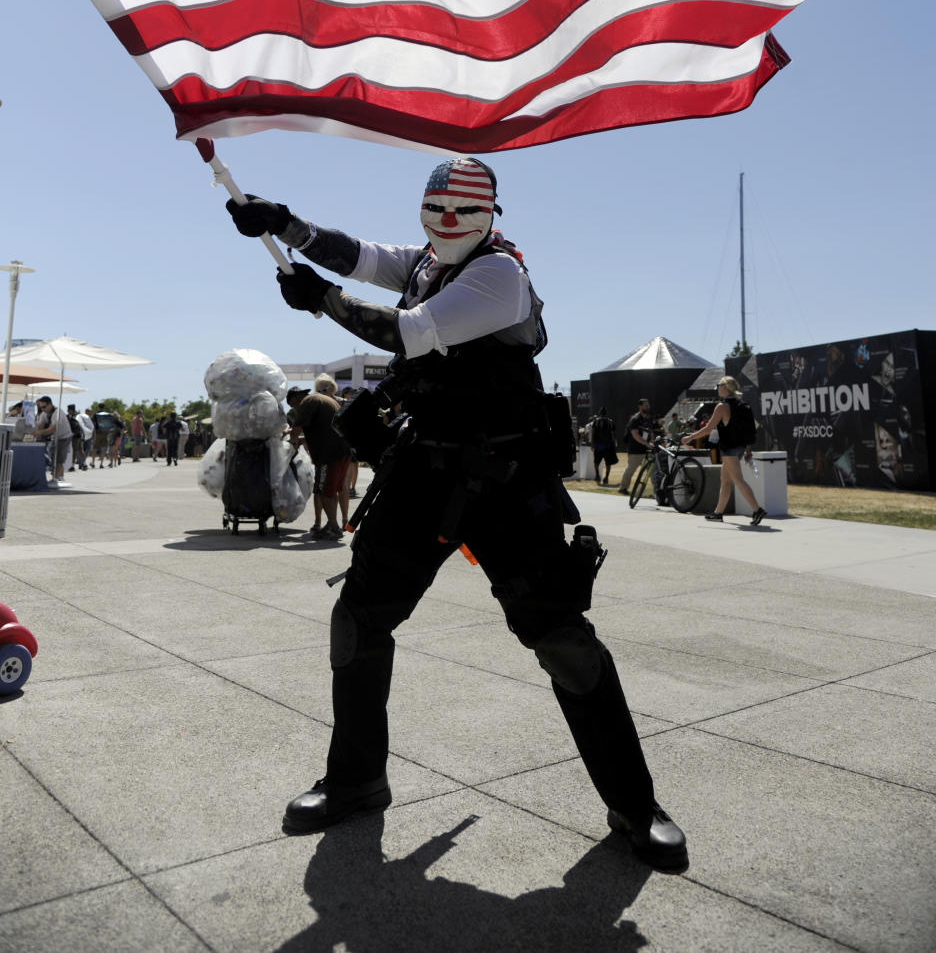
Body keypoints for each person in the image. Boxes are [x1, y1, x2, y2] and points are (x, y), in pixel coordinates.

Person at [226, 158, 686, 870]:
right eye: (433, 206)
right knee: (359, 617)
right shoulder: (429, 263)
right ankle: (356, 780)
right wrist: (286, 224)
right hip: (423, 471)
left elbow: (407, 332)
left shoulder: (500, 276)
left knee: (560, 637)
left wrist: (321, 298)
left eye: (458, 210)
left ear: (490, 214)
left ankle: (635, 802)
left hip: (504, 482)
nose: (444, 221)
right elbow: (363, 255)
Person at [682, 376, 764, 525]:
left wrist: (690, 438)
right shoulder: (741, 405)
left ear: (725, 387)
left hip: (729, 449)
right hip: (739, 448)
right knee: (725, 481)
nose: (717, 388)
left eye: (719, 385)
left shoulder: (722, 406)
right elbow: (747, 429)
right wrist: (747, 449)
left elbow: (707, 429)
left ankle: (757, 509)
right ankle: (718, 513)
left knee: (738, 480)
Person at [288, 378, 353, 539]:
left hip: (329, 454)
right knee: (331, 489)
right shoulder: (321, 399)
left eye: (293, 406)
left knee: (325, 491)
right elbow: (322, 428)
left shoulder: (307, 402)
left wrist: (290, 445)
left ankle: (334, 527)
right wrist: (302, 440)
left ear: (295, 399)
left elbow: (296, 430)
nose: (295, 410)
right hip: (343, 450)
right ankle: (332, 524)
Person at [617, 399, 664, 501]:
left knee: (652, 471)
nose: (648, 407)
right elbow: (635, 435)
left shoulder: (648, 419)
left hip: (647, 450)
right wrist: (647, 444)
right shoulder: (635, 419)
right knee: (631, 470)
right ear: (640, 406)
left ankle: (656, 492)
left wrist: (652, 442)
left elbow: (650, 432)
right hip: (635, 450)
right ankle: (623, 488)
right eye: (646, 405)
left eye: (648, 405)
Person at [35, 396, 73, 481]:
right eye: (41, 407)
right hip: (55, 437)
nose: (43, 409)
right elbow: (39, 425)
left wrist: (40, 432)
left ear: (50, 404)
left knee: (59, 459)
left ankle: (56, 478)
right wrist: (31, 429)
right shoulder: (44, 414)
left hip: (64, 437)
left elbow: (53, 428)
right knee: (52, 457)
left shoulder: (57, 413)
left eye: (44, 407)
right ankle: (61, 477)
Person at [589, 406, 617, 485]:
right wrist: (615, 442)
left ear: (600, 413)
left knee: (596, 462)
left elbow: (593, 434)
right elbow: (614, 434)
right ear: (606, 413)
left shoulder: (596, 421)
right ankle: (606, 478)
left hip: (598, 446)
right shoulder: (611, 422)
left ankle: (597, 475)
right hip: (608, 446)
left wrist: (592, 444)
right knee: (608, 463)